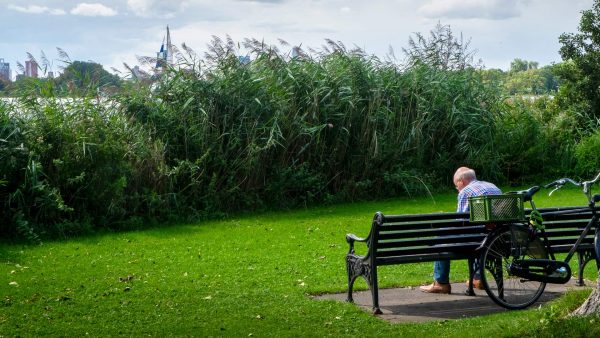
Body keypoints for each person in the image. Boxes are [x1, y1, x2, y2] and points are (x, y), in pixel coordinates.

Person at [419, 167, 501, 294]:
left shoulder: (466, 192)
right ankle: (478, 278)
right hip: (497, 239)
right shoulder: (493, 187)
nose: (457, 189)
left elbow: (460, 222)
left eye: (456, 186)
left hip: (475, 241)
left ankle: (441, 283)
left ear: (461, 182)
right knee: (478, 233)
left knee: (442, 238)